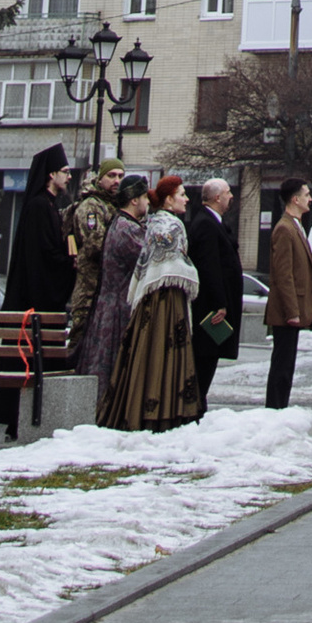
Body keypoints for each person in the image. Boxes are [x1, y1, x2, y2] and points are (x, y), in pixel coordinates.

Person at [100, 169, 201, 432]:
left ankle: (139, 409)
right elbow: (169, 261)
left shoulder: (154, 222)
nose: (187, 199)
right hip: (165, 299)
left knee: (146, 352)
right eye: (182, 194)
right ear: (168, 200)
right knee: (162, 352)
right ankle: (163, 413)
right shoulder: (169, 225)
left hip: (152, 296)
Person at [0, 145, 76, 438]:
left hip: (38, 303)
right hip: (34, 305)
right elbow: (44, 257)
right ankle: (23, 421)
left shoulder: (47, 205)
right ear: (50, 174)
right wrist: (69, 262)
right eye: (64, 172)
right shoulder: (40, 206)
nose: (68, 177)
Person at [80, 171, 150, 399]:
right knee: (112, 369)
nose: (148, 202)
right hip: (117, 310)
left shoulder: (121, 224)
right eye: (145, 197)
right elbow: (150, 258)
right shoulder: (127, 229)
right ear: (134, 200)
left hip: (111, 306)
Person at [185, 176, 246, 413]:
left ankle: (199, 401)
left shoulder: (215, 222)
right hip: (210, 308)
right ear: (217, 197)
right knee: (205, 357)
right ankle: (196, 404)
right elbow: (209, 267)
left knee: (210, 357)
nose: (232, 196)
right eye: (229, 192)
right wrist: (220, 303)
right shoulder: (205, 224)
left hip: (216, 304)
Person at [263, 175, 312, 412]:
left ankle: (279, 409)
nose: (310, 199)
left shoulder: (295, 226)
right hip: (287, 312)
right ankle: (275, 410)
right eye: (306, 195)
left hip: (293, 310)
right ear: (295, 199)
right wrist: (292, 312)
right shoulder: (285, 229)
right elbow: (283, 275)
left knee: (286, 366)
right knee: (282, 367)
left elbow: (298, 266)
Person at [64, 163, 125, 363]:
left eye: (120, 176)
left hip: (107, 290)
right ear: (100, 179)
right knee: (79, 345)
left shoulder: (115, 205)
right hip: (89, 290)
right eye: (112, 175)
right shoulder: (91, 206)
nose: (117, 181)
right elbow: (96, 243)